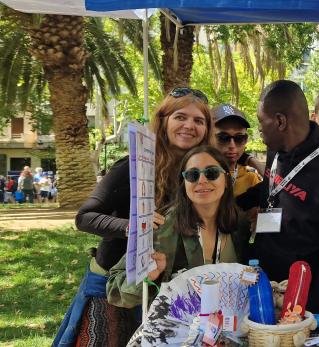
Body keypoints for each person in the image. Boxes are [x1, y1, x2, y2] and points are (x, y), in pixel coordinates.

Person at [54, 87, 213, 347]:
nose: (189, 126)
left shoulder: (201, 173)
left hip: (163, 289)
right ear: (163, 121)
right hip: (112, 287)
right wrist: (133, 225)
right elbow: (85, 217)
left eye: (199, 120)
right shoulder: (134, 166)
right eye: (180, 117)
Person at [237, 80, 319, 313]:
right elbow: (271, 189)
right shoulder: (276, 150)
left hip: (302, 302)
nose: (258, 128)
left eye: (262, 121)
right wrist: (230, 206)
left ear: (281, 121)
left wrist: (307, 305)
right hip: (264, 289)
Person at [107, 146, 239, 308]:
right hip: (176, 329)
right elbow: (114, 289)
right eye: (192, 175)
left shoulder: (240, 225)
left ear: (226, 180)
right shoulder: (162, 227)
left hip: (229, 325)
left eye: (212, 172)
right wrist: (146, 276)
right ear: (184, 184)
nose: (202, 180)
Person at [212, 104, 262, 197]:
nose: (232, 145)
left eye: (239, 138)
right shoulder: (196, 176)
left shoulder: (251, 179)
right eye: (223, 137)